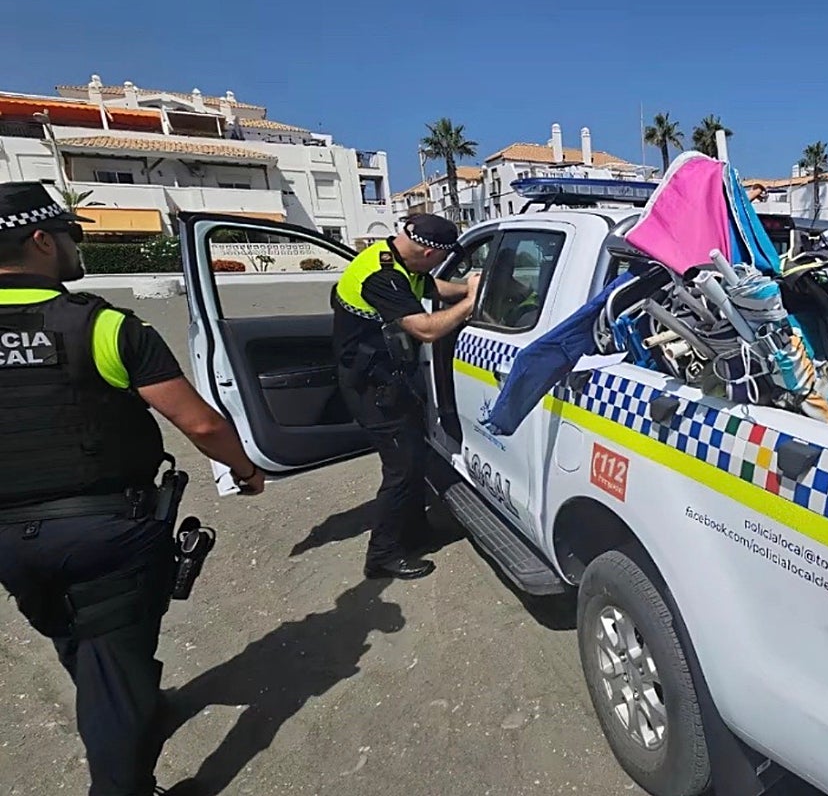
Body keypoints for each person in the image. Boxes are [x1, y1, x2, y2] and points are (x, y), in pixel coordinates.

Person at [0, 182, 266, 796]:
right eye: (70, 235)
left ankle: (133, 706)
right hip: (104, 534)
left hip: (11, 541)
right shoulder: (103, 326)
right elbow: (198, 422)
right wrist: (246, 471)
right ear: (41, 241)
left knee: (80, 642)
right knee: (112, 672)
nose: (75, 246)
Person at [332, 214, 479, 580]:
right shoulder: (381, 275)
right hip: (372, 386)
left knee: (414, 459)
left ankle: (415, 532)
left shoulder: (398, 258)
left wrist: (466, 287)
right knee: (401, 470)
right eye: (436, 258)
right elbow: (426, 330)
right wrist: (471, 304)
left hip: (390, 379)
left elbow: (432, 287)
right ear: (428, 251)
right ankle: (382, 555)